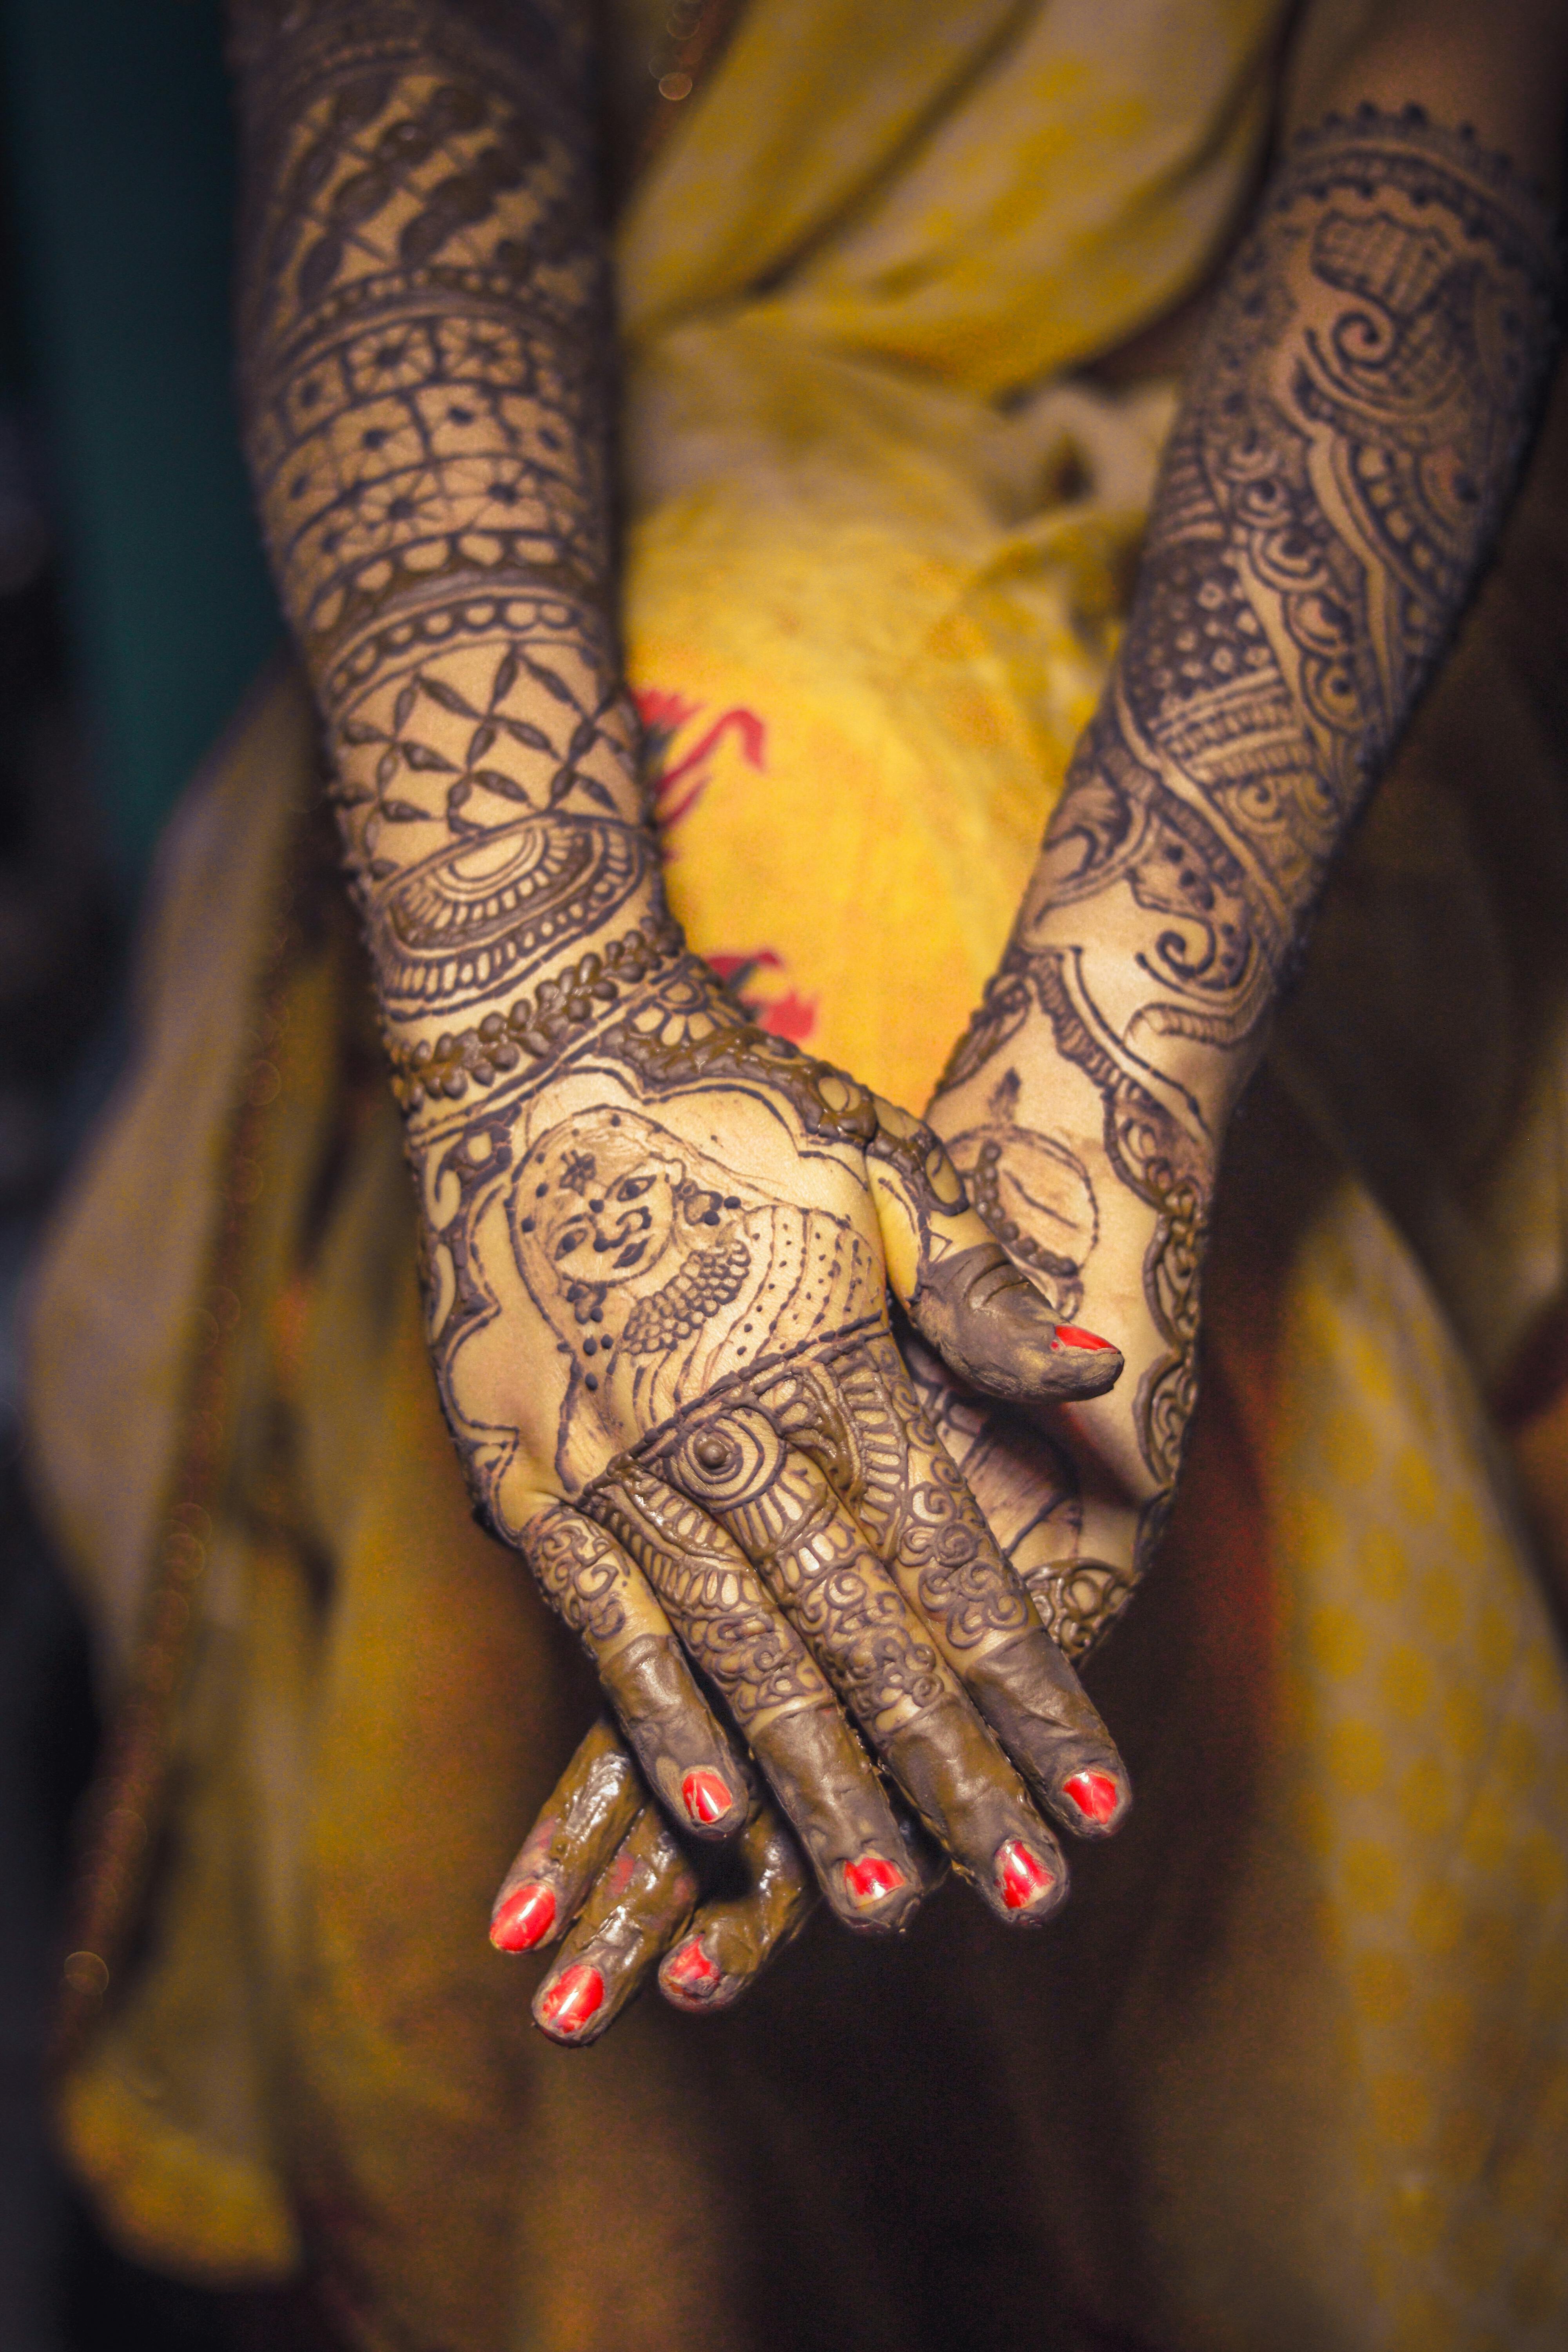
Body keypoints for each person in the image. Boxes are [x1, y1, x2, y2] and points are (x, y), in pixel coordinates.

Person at [26, 0, 1568, 2344]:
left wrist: (1118, 1063)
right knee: (776, 933)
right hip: (547, 496)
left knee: (937, 1192)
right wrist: (533, 1025)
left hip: (1296, 517)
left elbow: (1441, 93)